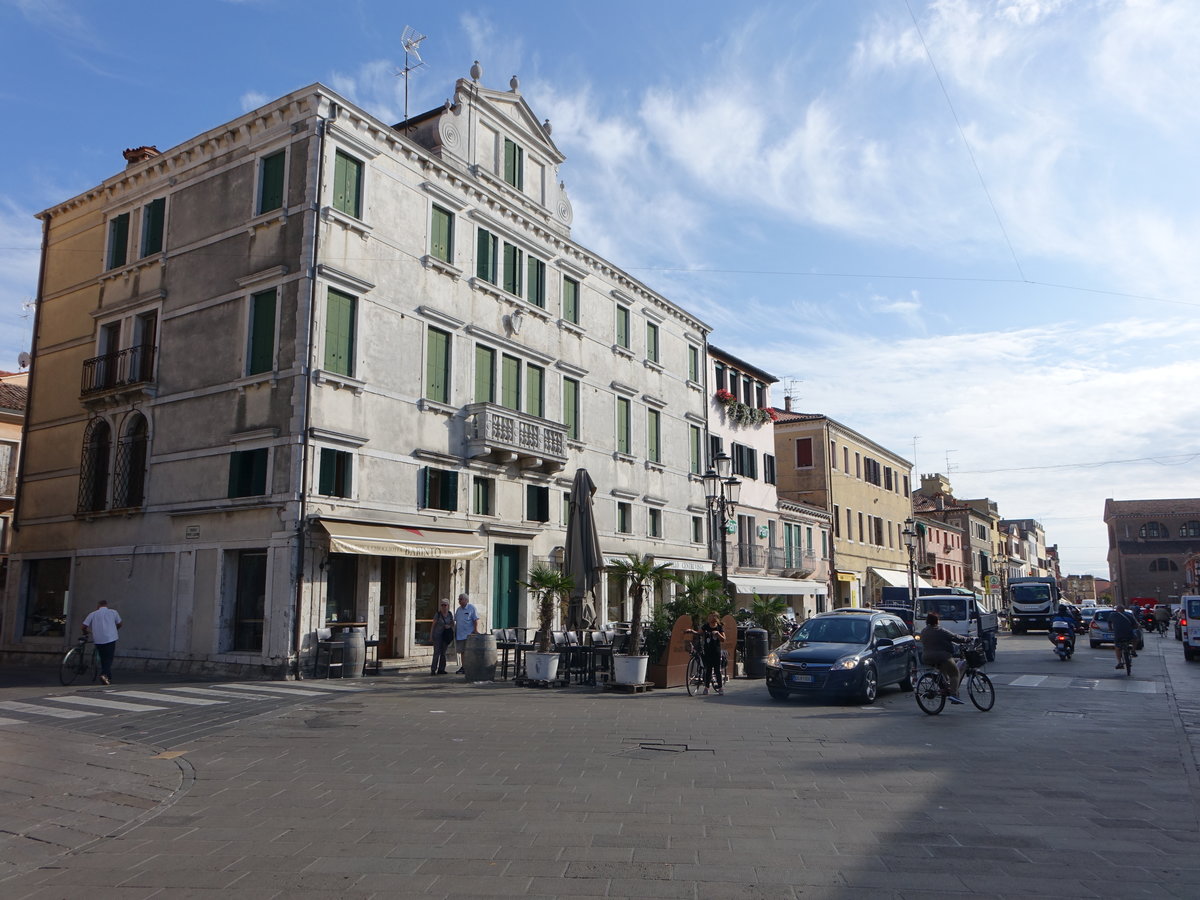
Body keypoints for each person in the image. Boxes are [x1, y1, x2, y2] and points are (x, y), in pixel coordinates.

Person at [919, 612, 967, 704]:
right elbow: (955, 637)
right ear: (937, 621)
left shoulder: (924, 631)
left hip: (926, 657)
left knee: (944, 668)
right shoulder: (940, 630)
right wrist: (967, 639)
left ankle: (946, 686)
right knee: (955, 672)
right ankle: (953, 694)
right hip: (941, 656)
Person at [82, 599, 122, 685]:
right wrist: (114, 629)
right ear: (106, 605)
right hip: (110, 638)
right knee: (108, 658)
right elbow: (120, 623)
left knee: (103, 658)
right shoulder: (113, 612)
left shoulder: (93, 614)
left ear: (98, 606)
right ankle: (104, 674)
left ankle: (108, 677)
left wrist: (85, 632)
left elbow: (83, 626)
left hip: (98, 640)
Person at [686, 612, 726, 695]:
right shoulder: (706, 626)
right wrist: (692, 631)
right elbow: (699, 633)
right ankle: (706, 687)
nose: (709, 619)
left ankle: (720, 687)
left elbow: (723, 639)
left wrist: (717, 634)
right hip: (707, 650)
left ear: (715, 618)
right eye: (709, 617)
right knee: (708, 669)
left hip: (716, 651)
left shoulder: (719, 627)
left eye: (711, 617)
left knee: (717, 670)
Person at [453, 593, 479, 674]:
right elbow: (456, 621)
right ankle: (463, 667)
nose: (459, 601)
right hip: (460, 635)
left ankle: (470, 666)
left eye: (461, 599)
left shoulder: (472, 608)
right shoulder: (458, 609)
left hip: (469, 634)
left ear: (466, 600)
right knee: (462, 652)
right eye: (459, 599)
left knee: (469, 652)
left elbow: (476, 620)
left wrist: (475, 630)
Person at [1110, 604, 1141, 668]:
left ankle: (1119, 662)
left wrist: (1111, 629)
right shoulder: (1129, 615)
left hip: (1118, 635)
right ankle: (1133, 651)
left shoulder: (1112, 615)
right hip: (1129, 634)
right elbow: (1135, 625)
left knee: (1117, 647)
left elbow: (1109, 623)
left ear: (1116, 610)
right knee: (1136, 639)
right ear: (1124, 610)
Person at [430, 599, 454, 675]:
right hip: (437, 635)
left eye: (445, 605)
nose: (443, 607)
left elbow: (452, 624)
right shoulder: (438, 614)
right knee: (436, 652)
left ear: (448, 606)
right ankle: (433, 669)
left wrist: (449, 626)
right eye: (442, 605)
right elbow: (433, 625)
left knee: (443, 653)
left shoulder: (450, 614)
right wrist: (431, 636)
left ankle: (441, 669)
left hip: (445, 636)